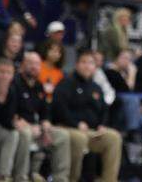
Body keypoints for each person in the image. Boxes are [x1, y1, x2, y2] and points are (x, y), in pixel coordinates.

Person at [52, 49, 124, 182]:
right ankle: (72, 178)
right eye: (83, 62)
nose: (87, 66)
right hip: (68, 128)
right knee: (79, 139)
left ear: (95, 67)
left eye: (91, 63)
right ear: (77, 65)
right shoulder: (66, 83)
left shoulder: (96, 87)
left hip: (91, 131)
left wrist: (102, 124)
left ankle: (109, 179)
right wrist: (76, 124)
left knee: (114, 137)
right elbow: (59, 109)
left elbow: (104, 110)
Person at [15, 50, 73, 182]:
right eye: (30, 63)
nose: (34, 67)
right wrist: (30, 126)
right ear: (23, 65)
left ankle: (60, 178)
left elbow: (44, 111)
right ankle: (21, 176)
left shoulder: (39, 86)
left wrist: (45, 124)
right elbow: (11, 112)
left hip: (37, 127)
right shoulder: (15, 83)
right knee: (26, 134)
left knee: (62, 135)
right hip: (19, 125)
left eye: (37, 64)